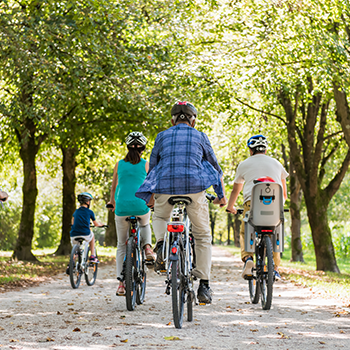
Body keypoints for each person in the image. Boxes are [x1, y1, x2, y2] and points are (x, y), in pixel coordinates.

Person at [136, 101, 227, 304]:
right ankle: (204, 285)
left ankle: (161, 245)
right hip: (195, 189)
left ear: (172, 120)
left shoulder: (162, 136)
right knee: (202, 235)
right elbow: (215, 168)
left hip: (165, 188)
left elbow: (153, 167)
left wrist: (151, 192)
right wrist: (221, 196)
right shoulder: (201, 136)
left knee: (160, 216)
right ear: (193, 121)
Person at [226, 134, 288, 280]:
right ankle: (275, 268)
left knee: (246, 230)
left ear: (250, 150)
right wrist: (279, 207)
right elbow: (284, 194)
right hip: (275, 205)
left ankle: (248, 259)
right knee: (276, 232)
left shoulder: (244, 164)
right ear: (265, 150)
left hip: (251, 205)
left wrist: (230, 206)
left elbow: (236, 190)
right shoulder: (277, 164)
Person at [107, 131, 155, 297]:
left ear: (127, 147)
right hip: (140, 205)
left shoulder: (119, 164)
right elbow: (151, 186)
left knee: (121, 245)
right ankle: (148, 248)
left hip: (122, 208)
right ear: (143, 148)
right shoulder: (146, 164)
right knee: (145, 222)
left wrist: (112, 203)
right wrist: (152, 202)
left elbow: (114, 187)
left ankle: (121, 284)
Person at [68, 192, 102, 274]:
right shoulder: (90, 212)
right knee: (92, 235)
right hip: (85, 234)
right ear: (87, 202)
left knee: (76, 249)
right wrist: (101, 225)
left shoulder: (76, 212)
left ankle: (70, 264)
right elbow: (95, 224)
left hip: (73, 234)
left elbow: (72, 222)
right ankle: (93, 256)